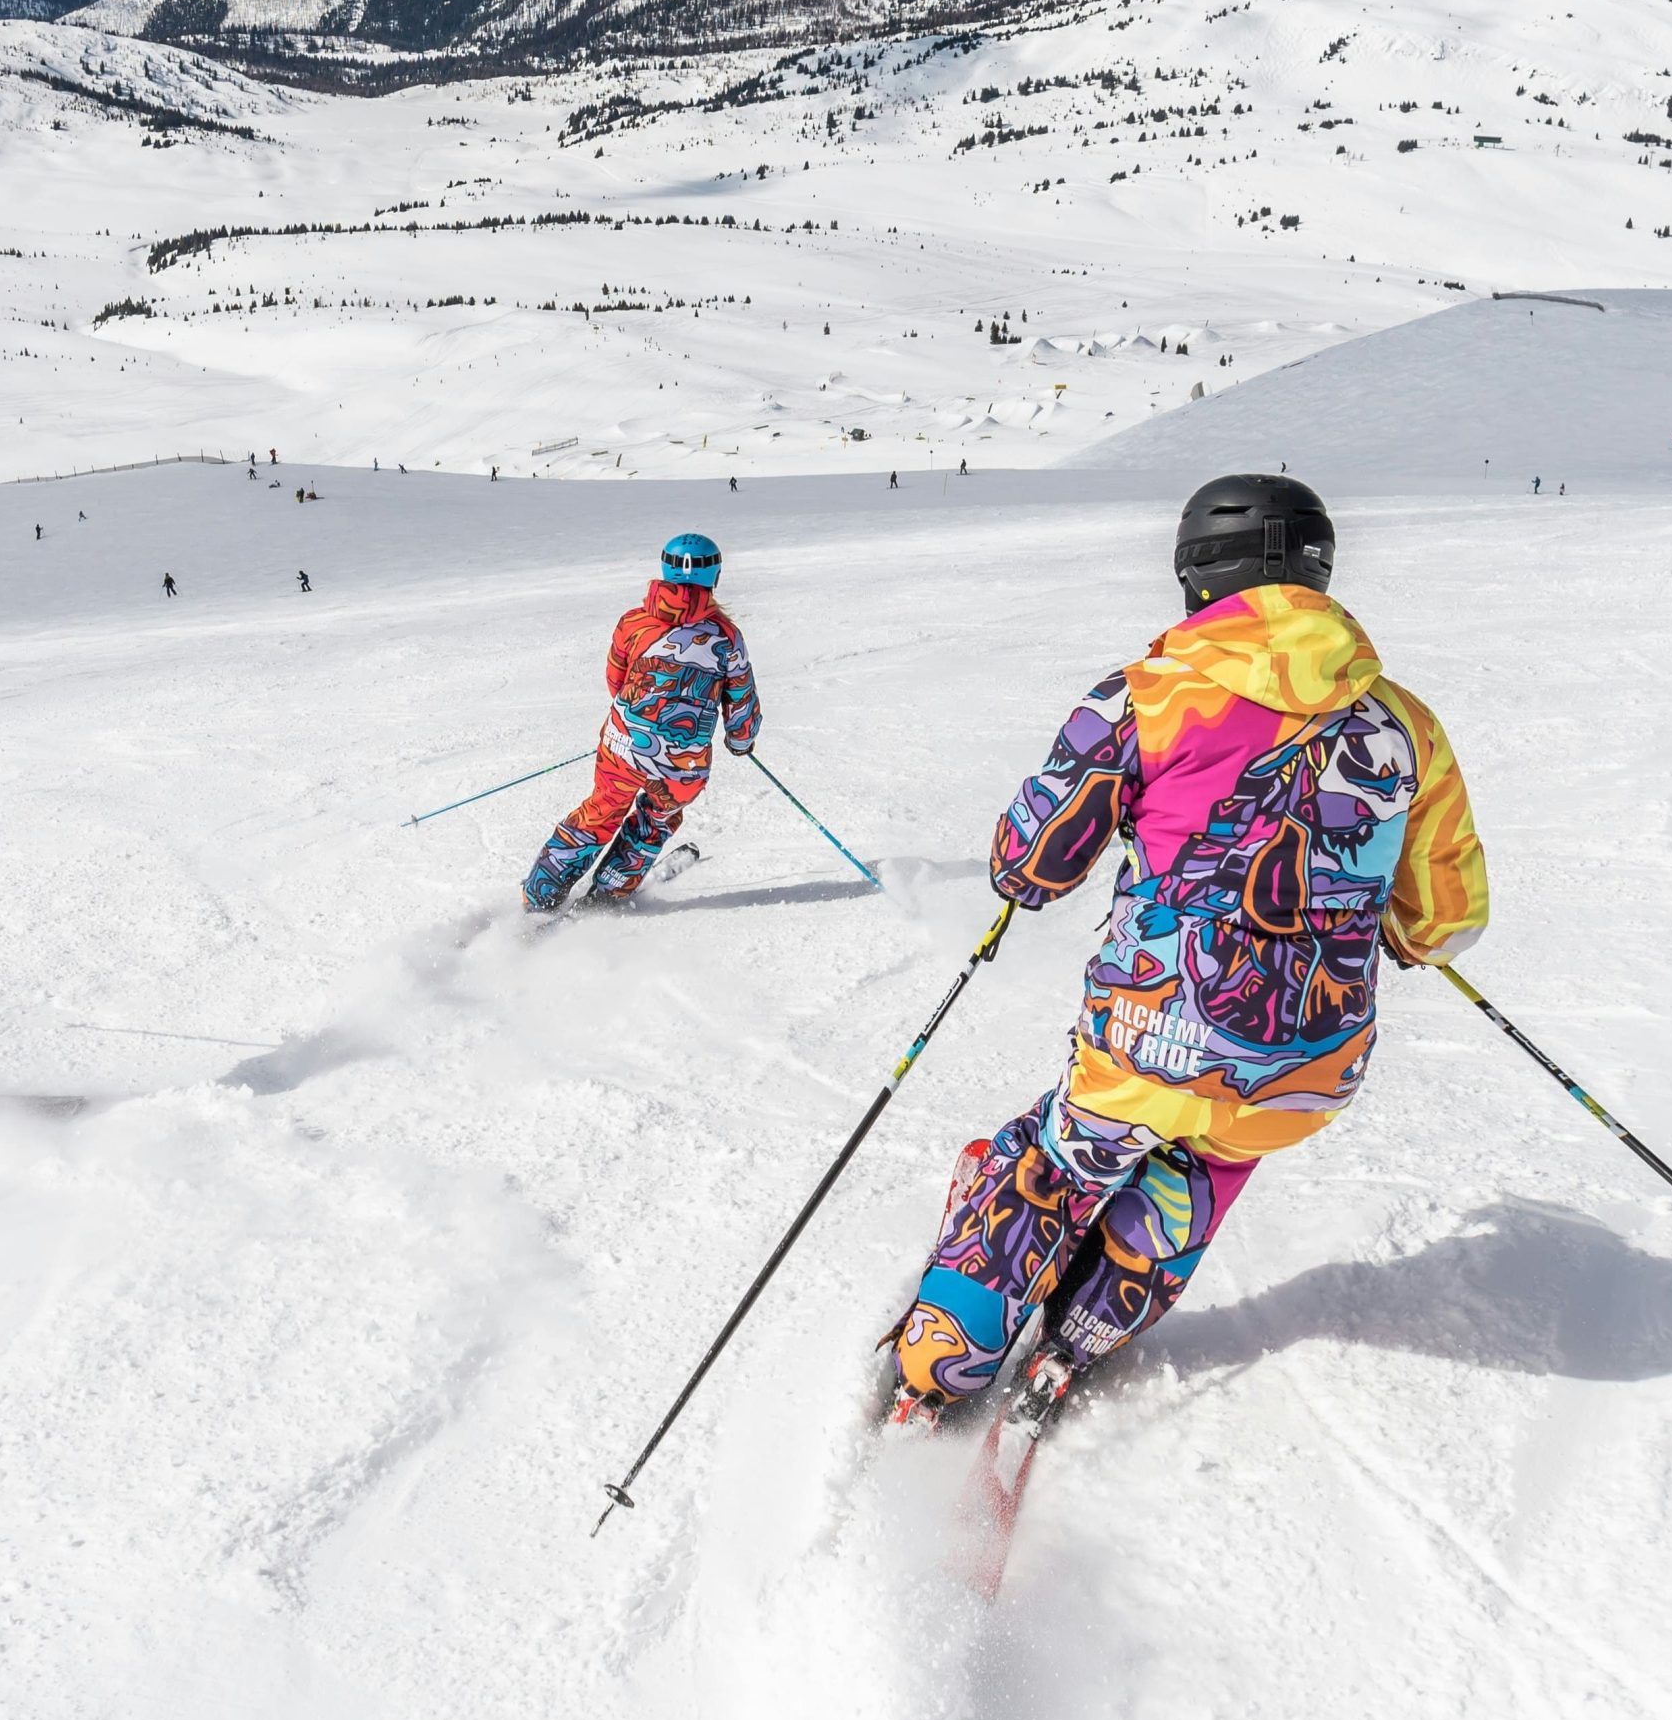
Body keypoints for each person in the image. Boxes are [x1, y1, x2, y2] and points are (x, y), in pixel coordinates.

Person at [886, 473, 1488, 1436]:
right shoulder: (1404, 723)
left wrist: (1020, 879)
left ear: (1200, 576)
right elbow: (1442, 918)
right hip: (1309, 1060)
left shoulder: (1147, 696)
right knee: (1202, 1169)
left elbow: (1032, 862)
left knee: (1058, 1164)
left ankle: (940, 1368)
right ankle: (1079, 1339)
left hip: (1149, 1034)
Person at [521, 533, 762, 911]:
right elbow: (741, 697)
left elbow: (616, 680)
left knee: (603, 808)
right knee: (656, 818)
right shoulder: (726, 637)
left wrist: (636, 725)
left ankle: (543, 890)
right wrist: (741, 739)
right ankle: (611, 890)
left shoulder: (635, 623)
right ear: (715, 576)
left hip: (623, 747)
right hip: (683, 764)